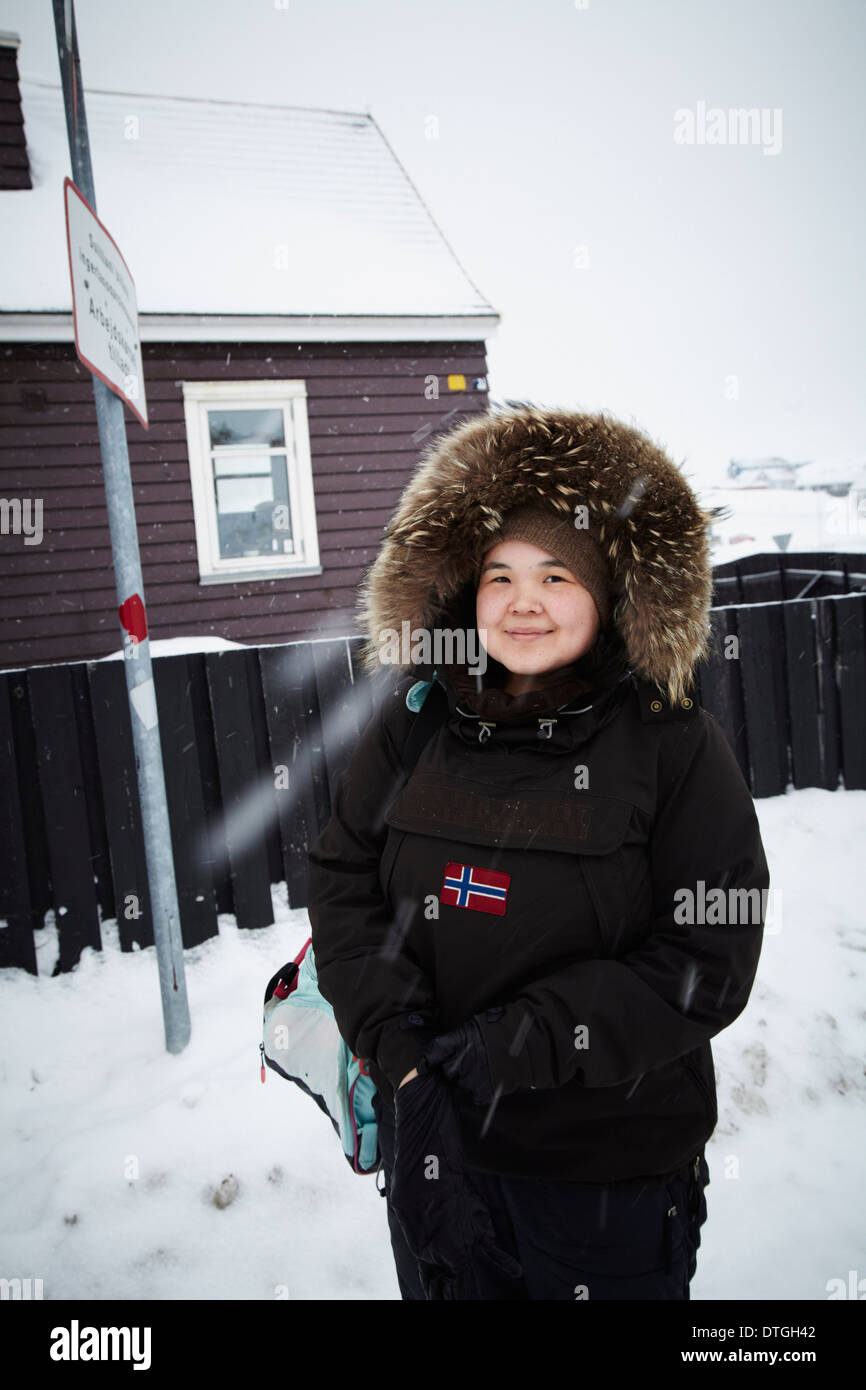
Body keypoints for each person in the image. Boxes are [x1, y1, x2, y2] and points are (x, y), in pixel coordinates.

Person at [307, 403, 770, 1301]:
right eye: (499, 576)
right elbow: (342, 879)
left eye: (557, 575)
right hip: (436, 1148)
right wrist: (396, 1046)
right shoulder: (417, 724)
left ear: (608, 595)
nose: (523, 603)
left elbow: (711, 953)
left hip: (605, 1181)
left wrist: (518, 1044)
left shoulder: (672, 745)